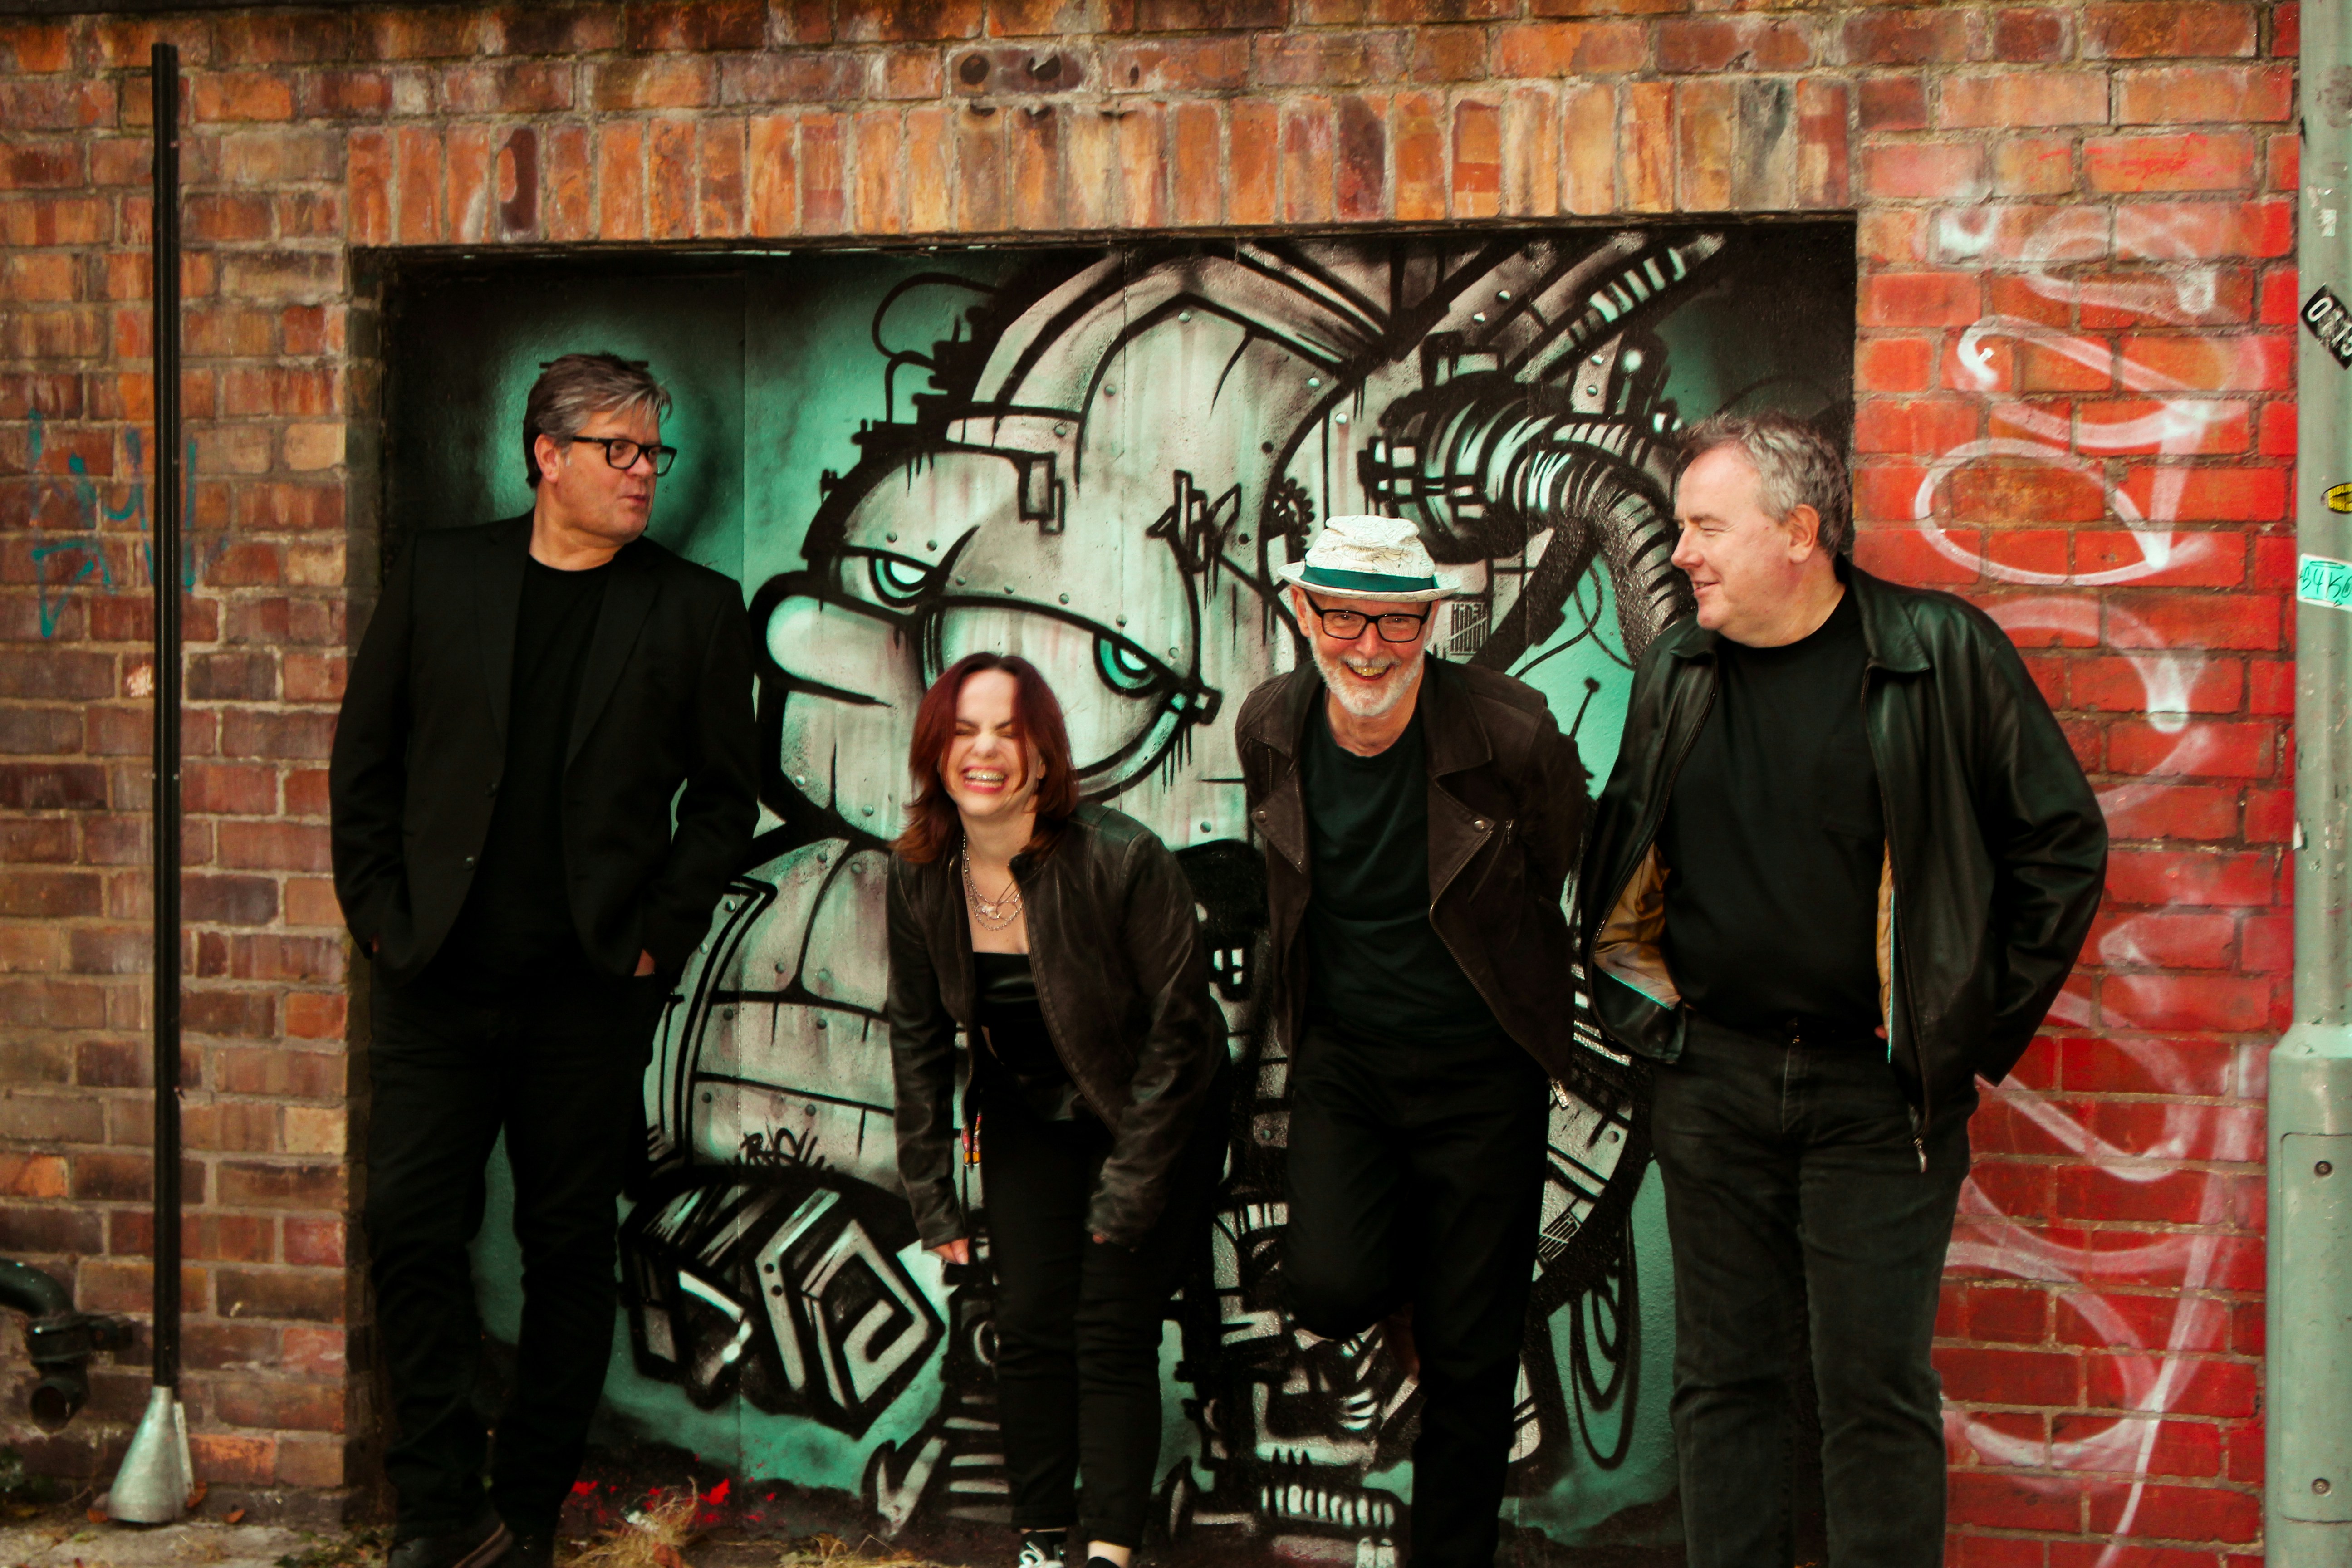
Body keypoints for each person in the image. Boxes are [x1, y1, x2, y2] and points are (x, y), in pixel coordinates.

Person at [1578, 412, 2107, 1568]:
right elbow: (1629, 847)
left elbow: (2062, 845)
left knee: (1872, 1392)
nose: (1681, 553)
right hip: (1712, 1082)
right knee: (1724, 1383)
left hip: (1876, 1099)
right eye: (1679, 528)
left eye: (1706, 526)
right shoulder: (1679, 669)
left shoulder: (1939, 652)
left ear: (1799, 532)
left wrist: (1962, 1029)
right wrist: (1646, 1016)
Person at [329, 353, 759, 1568]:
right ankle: (436, 1510)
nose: (643, 472)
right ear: (547, 456)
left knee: (567, 1250)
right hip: (435, 982)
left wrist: (654, 937)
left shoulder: (692, 608)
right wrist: (381, 920)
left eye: (653, 451)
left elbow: (725, 801)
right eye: (619, 450)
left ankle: (522, 1516)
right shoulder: (444, 575)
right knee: (410, 1227)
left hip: (588, 992)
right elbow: (365, 765)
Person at [1233, 514, 1590, 1568]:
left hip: (1484, 1074)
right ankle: (1415, 1294)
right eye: (1344, 618)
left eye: (1397, 622)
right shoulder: (1270, 726)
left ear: (1431, 623)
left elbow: (1555, 858)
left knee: (1474, 1363)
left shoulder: (1511, 732)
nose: (1369, 648)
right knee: (1329, 1286)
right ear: (1304, 614)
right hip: (1347, 1066)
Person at [886, 654, 1230, 1568]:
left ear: (1044, 755)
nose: (985, 750)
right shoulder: (922, 874)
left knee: (1110, 1328)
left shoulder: (1123, 859)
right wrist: (931, 1194)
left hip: (1153, 1113)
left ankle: (1109, 1553)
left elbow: (1180, 1038)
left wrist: (1130, 1190)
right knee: (1030, 1323)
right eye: (964, 731)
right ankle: (1042, 1541)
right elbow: (917, 1035)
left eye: (1010, 731)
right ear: (936, 751)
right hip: (1028, 1110)